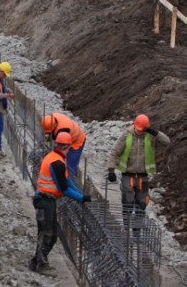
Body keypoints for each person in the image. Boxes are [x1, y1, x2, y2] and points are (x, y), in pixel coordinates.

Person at [31, 132, 92, 276]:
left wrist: (80, 194)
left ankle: (36, 261)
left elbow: (67, 179)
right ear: (69, 146)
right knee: (47, 233)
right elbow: (63, 188)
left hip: (47, 200)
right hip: (44, 200)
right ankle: (41, 264)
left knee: (51, 234)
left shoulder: (57, 157)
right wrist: (81, 198)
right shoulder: (56, 162)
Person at [107, 114, 170, 229]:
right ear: (135, 125)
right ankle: (126, 228)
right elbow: (114, 152)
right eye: (139, 130)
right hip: (128, 175)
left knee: (141, 204)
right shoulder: (126, 136)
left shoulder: (150, 136)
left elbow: (166, 141)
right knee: (128, 202)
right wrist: (111, 170)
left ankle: (136, 229)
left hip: (143, 176)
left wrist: (155, 132)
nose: (141, 132)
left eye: (143, 130)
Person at [40, 113, 86, 178]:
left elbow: (61, 148)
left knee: (71, 165)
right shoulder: (52, 118)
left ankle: (71, 179)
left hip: (77, 141)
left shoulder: (62, 130)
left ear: (54, 126)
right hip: (69, 135)